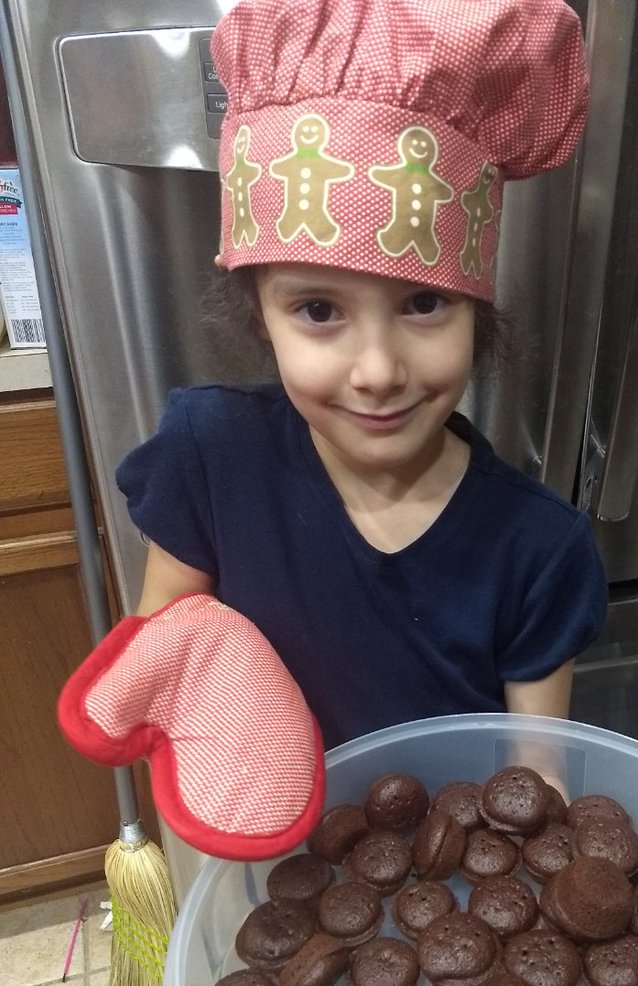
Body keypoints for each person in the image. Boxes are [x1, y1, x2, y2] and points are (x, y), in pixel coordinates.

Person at [116, 0, 607, 761]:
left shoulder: (539, 548)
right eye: (318, 309)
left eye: (423, 303)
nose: (377, 372)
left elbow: (535, 776)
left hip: (452, 869)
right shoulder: (209, 458)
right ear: (258, 313)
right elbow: (172, 660)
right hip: (273, 857)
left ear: (477, 306)